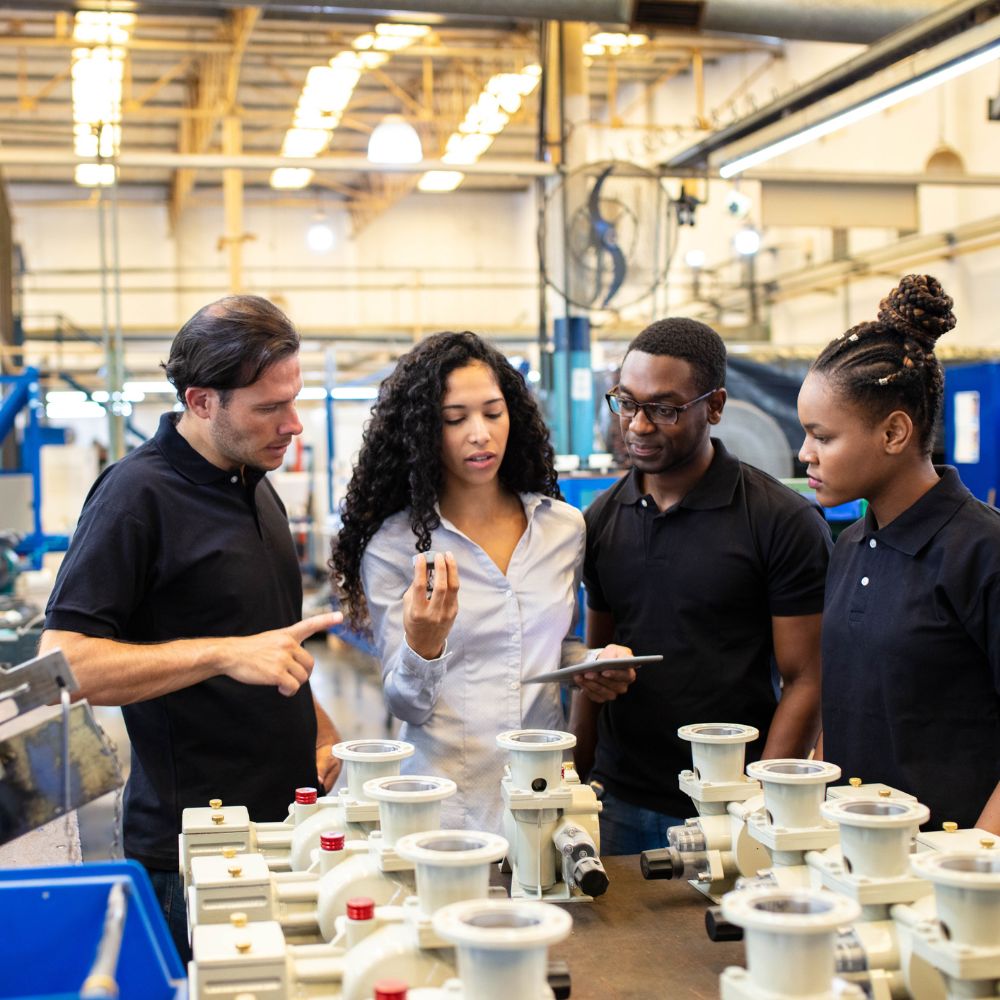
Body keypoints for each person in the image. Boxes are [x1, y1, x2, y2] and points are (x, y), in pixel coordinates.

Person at [40, 295, 343, 959]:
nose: (291, 425)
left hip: (280, 827)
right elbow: (66, 662)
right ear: (202, 401)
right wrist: (224, 655)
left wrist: (316, 727)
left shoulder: (251, 480)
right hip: (193, 856)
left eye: (293, 400)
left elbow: (263, 639)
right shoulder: (135, 498)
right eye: (269, 407)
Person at [331, 331, 633, 834]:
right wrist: (424, 645)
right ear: (425, 431)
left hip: (543, 797)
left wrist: (593, 666)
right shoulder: (395, 547)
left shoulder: (561, 528)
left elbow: (557, 646)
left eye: (493, 413)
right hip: (445, 805)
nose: (480, 433)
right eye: (456, 419)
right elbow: (405, 704)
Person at [574, 318, 833, 855]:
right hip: (617, 800)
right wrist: (577, 781)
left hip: (728, 804)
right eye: (626, 403)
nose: (638, 426)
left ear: (714, 407)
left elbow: (807, 678)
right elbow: (595, 662)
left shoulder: (779, 522)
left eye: (664, 409)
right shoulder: (601, 519)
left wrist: (755, 800)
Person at [797, 273, 1000, 834]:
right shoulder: (851, 544)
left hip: (953, 877)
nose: (804, 453)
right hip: (855, 858)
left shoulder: (982, 552)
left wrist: (972, 863)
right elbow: (847, 707)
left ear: (894, 433)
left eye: (823, 436)